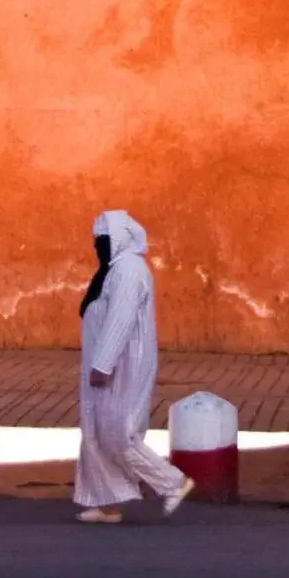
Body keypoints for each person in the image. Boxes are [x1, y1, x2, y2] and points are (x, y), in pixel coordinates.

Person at [73, 209, 194, 523]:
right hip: (105, 365)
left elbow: (121, 320)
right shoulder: (112, 270)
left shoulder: (129, 270)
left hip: (124, 364)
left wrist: (103, 363)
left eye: (103, 239)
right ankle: (109, 502)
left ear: (119, 239)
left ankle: (173, 483)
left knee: (119, 433)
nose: (98, 245)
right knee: (97, 431)